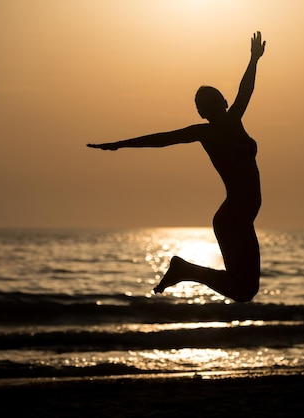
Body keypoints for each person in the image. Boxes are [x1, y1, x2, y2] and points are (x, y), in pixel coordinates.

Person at [87, 32, 266, 303]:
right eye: (204, 105)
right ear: (202, 113)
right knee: (243, 291)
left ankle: (185, 269)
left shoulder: (233, 121)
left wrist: (254, 60)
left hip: (240, 217)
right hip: (233, 219)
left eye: (214, 100)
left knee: (245, 290)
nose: (211, 107)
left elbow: (245, 90)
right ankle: (184, 269)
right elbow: (161, 139)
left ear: (224, 103)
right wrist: (120, 144)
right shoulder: (208, 132)